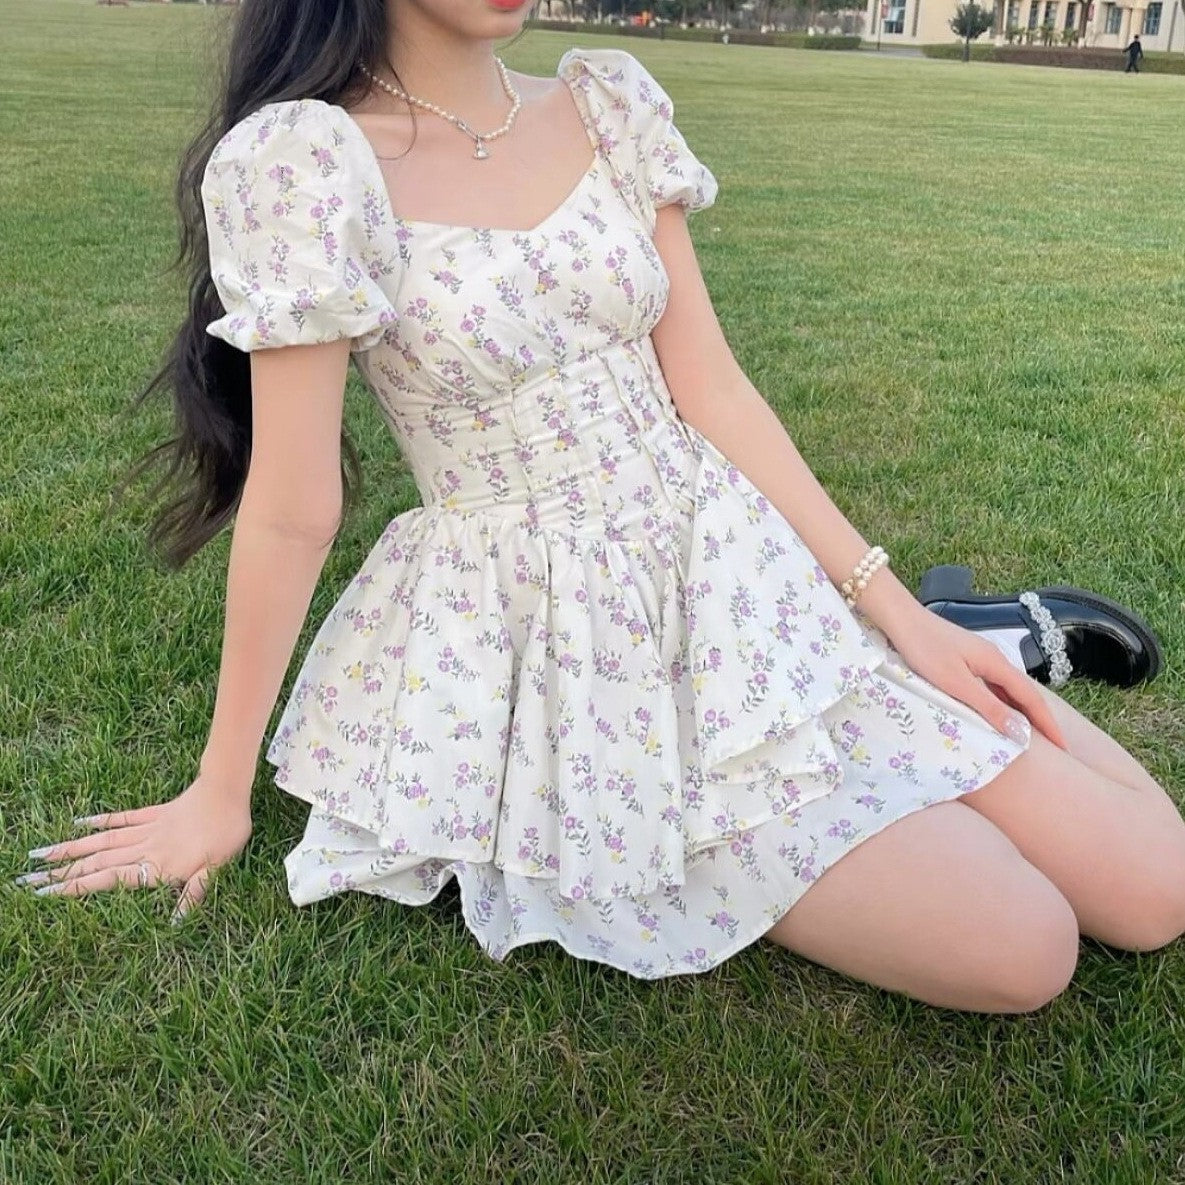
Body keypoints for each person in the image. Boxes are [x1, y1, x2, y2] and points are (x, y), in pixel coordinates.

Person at [14, 0, 1185, 1014]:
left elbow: (711, 386)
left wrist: (895, 611)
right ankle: (946, 673)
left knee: (1156, 892)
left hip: (733, 570)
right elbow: (292, 505)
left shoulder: (605, 103)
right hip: (562, 639)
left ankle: (959, 627)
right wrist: (219, 791)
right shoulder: (304, 161)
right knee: (1024, 951)